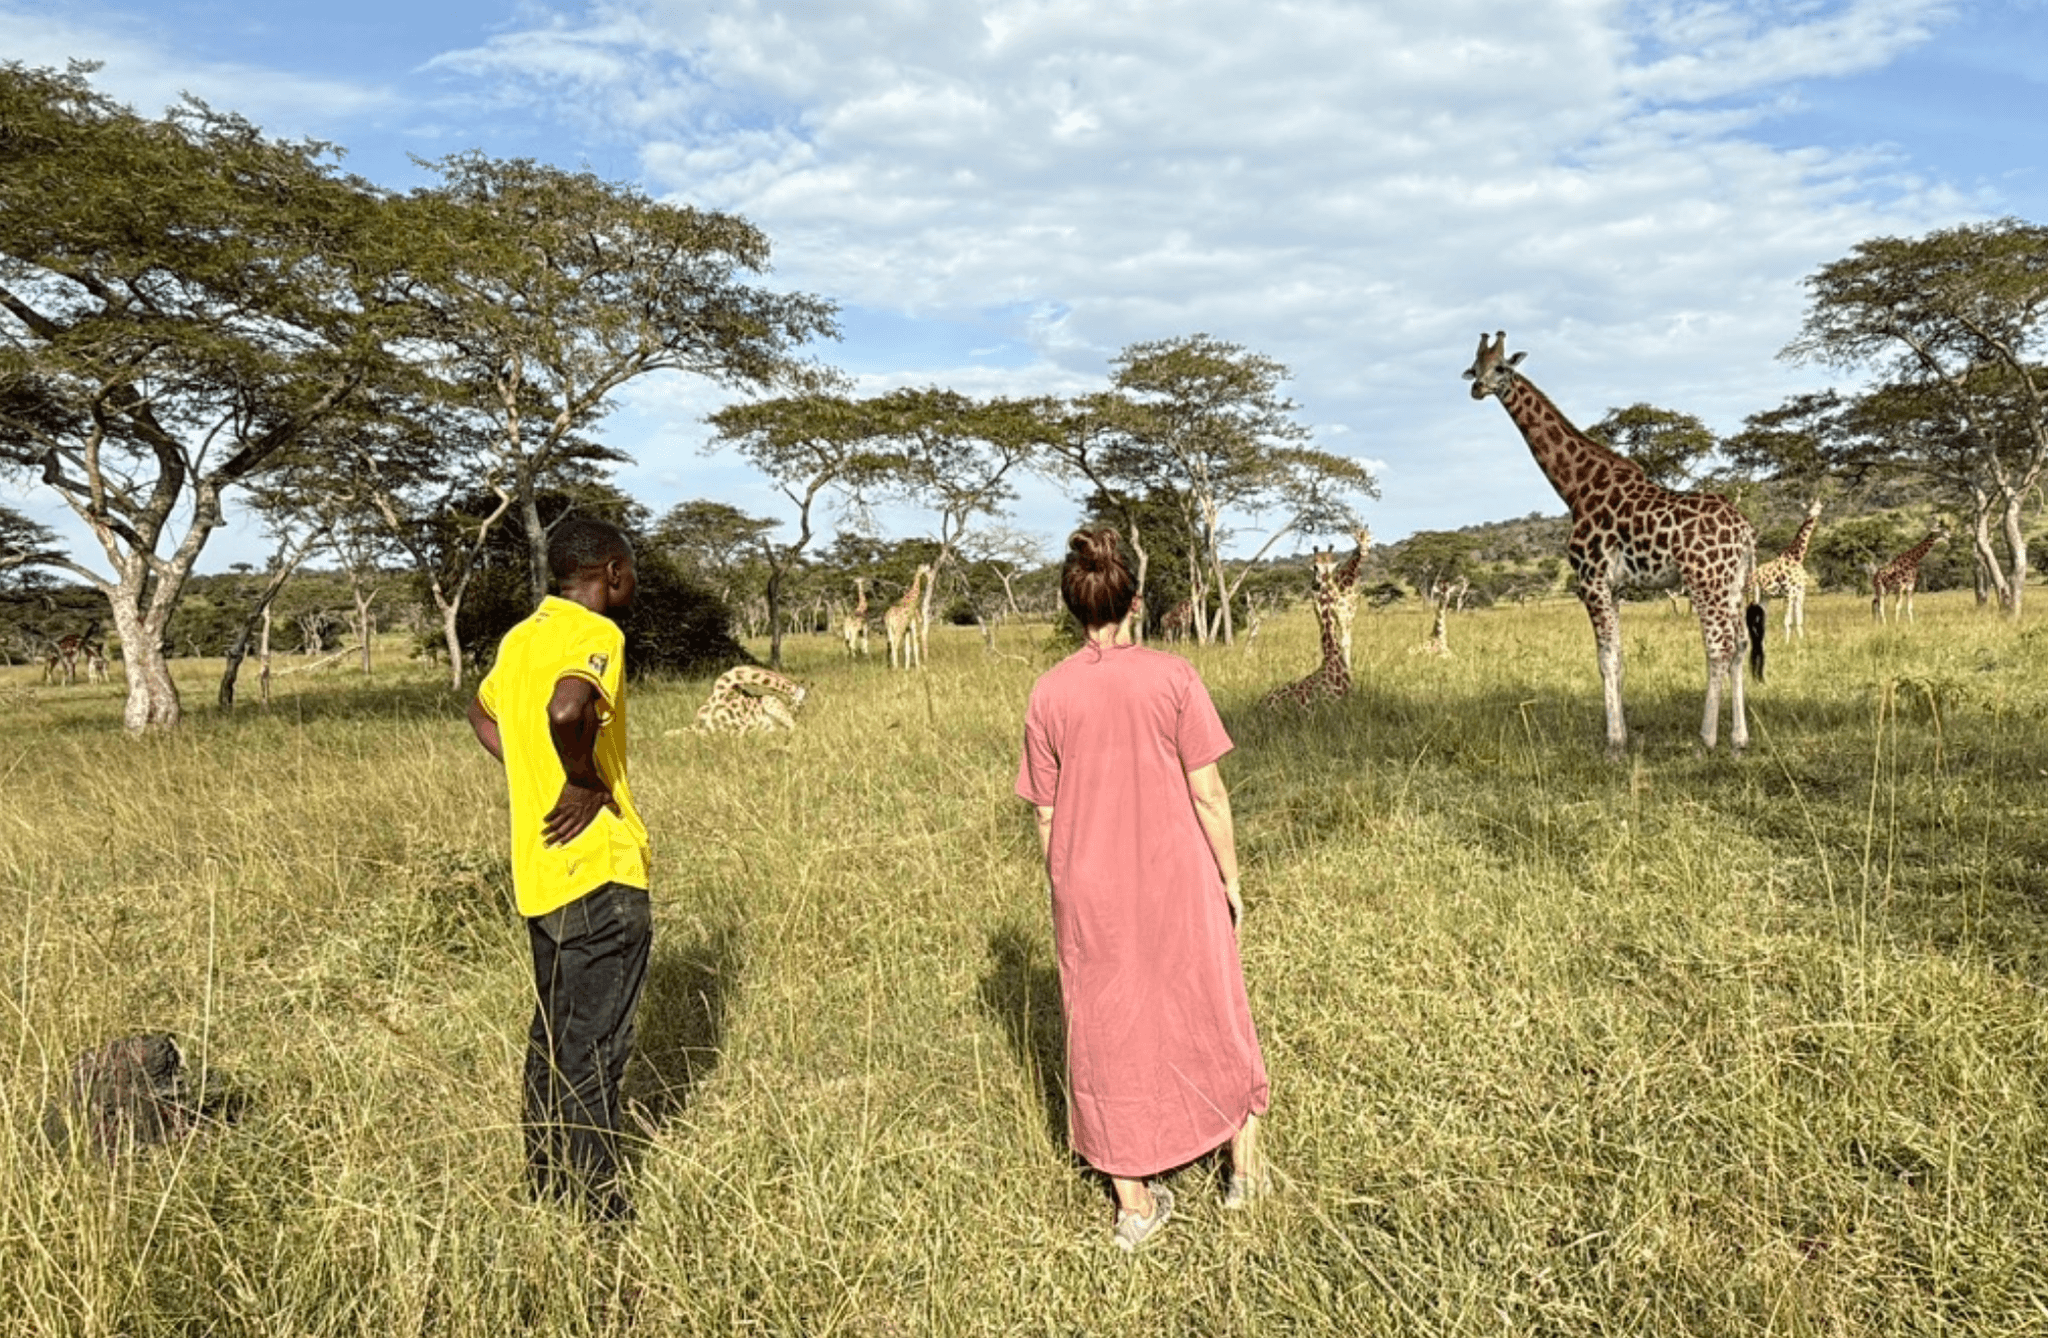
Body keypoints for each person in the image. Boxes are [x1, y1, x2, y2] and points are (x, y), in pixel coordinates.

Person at [1015, 527, 1271, 1251]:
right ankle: (1242, 1166)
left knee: (1102, 1028)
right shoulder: (1173, 676)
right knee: (1212, 1003)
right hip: (1179, 874)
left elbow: (1045, 812)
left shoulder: (1048, 693)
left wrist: (1065, 887)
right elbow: (1210, 793)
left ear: (1075, 607)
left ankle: (1134, 1204)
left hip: (1087, 887)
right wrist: (1231, 878)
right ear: (1134, 603)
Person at [467, 517, 651, 1221]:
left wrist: (533, 771)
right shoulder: (596, 632)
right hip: (599, 871)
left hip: (539, 877)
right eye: (628, 570)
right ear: (609, 572)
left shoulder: (520, 638)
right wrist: (578, 779)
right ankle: (600, 1210)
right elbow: (568, 705)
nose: (631, 582)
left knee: (552, 1038)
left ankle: (545, 1189)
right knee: (594, 1049)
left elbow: (481, 713)